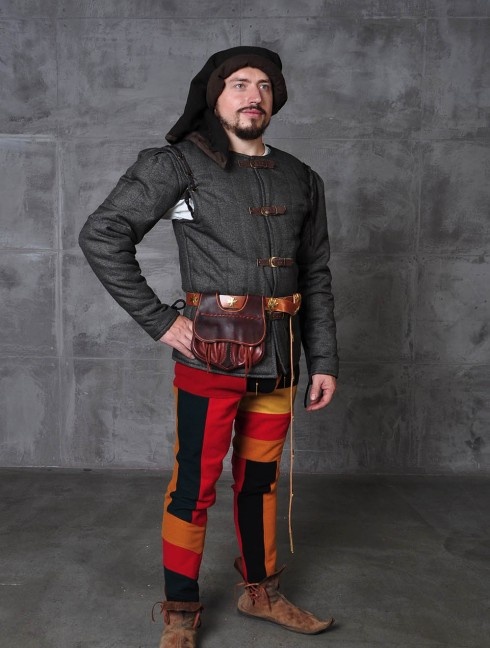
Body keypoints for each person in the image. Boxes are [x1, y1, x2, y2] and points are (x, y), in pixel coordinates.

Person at [79, 46, 339, 648]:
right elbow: (103, 234)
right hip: (210, 357)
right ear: (214, 95)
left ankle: (260, 591)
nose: (253, 95)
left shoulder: (301, 177)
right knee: (194, 484)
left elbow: (316, 275)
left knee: (260, 481)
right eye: (239, 84)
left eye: (264, 85)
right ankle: (180, 610)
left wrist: (323, 359)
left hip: (281, 362)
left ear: (275, 98)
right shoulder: (179, 164)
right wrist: (161, 322)